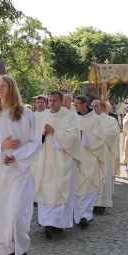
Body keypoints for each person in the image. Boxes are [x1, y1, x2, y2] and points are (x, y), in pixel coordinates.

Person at [0, 76, 41, 255]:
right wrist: (2, 146)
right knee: (0, 215)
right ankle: (6, 254)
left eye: (3, 85)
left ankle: (22, 252)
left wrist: (16, 156)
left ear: (11, 89)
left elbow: (35, 142)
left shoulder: (26, 115)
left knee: (17, 214)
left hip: (19, 173)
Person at [32, 91, 82, 239]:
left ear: (61, 102)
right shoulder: (43, 116)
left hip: (62, 161)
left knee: (58, 191)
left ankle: (56, 224)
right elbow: (35, 137)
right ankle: (46, 222)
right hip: (45, 161)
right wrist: (42, 133)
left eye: (55, 101)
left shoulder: (69, 117)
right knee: (46, 189)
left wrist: (56, 133)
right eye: (50, 101)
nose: (51, 103)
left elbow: (74, 138)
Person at [74, 95, 104, 228]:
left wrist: (84, 137)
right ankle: (76, 214)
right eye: (74, 104)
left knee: (89, 184)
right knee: (76, 185)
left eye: (77, 104)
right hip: (76, 157)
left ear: (85, 104)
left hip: (90, 156)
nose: (75, 106)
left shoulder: (96, 119)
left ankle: (86, 215)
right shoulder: (73, 118)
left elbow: (99, 139)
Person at [93, 101, 119, 212]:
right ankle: (92, 202)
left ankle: (102, 202)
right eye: (92, 106)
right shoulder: (90, 119)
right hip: (92, 153)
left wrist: (96, 137)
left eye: (96, 106)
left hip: (104, 152)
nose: (94, 108)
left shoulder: (110, 120)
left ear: (102, 108)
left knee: (103, 175)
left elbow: (113, 134)